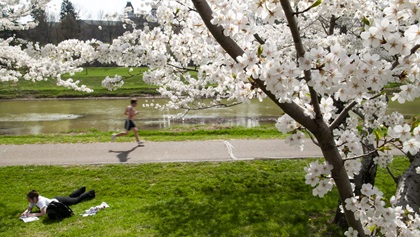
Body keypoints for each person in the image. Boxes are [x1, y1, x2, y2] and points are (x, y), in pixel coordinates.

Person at [20, 187, 95, 218]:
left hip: (59, 202)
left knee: (75, 200)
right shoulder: (34, 201)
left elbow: (43, 213)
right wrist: (25, 212)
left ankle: (90, 193)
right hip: (56, 199)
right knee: (70, 198)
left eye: (29, 199)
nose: (28, 201)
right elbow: (29, 208)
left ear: (34, 198)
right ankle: (82, 189)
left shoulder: (41, 201)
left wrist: (30, 215)